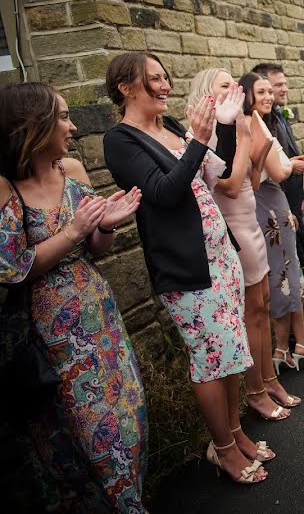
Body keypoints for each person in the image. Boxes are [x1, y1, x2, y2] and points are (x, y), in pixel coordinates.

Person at [103, 52, 267, 484]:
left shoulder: (173, 128)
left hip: (221, 254)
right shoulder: (121, 141)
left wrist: (225, 127)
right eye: (154, 78)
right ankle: (224, 451)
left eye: (165, 77)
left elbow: (219, 173)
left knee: (230, 353)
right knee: (210, 357)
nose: (165, 85)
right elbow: (163, 192)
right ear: (125, 87)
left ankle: (234, 432)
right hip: (184, 265)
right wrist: (197, 137)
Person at [0, 83, 148, 510]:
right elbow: (14, 269)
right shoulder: (9, 187)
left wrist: (105, 226)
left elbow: (98, 251)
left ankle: (132, 499)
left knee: (127, 416)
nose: (73, 125)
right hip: (51, 328)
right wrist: (74, 231)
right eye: (63, 116)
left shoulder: (74, 171)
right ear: (35, 124)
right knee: (83, 433)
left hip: (97, 312)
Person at [188, 68, 297, 421]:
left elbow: (250, 179)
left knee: (263, 304)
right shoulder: (202, 134)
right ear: (208, 92)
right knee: (251, 311)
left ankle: (269, 379)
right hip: (231, 224)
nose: (235, 89)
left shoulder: (238, 125)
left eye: (235, 84)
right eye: (225, 85)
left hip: (251, 218)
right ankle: (256, 391)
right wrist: (247, 142)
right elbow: (230, 186)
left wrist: (254, 144)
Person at [238, 72, 304, 374]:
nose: (268, 97)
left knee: (289, 276)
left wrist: (290, 162)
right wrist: (293, 165)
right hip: (268, 207)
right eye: (260, 92)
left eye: (269, 92)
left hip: (275, 204)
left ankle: (291, 345)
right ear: (246, 94)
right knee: (282, 277)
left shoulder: (258, 122)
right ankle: (291, 345)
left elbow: (275, 165)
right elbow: (276, 172)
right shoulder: (251, 124)